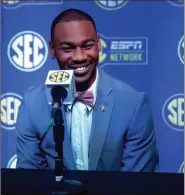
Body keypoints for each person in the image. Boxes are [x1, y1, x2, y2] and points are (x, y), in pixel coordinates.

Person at [16, 8, 159, 171]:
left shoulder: (133, 104)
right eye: (67, 48)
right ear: (52, 49)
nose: (79, 57)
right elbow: (30, 179)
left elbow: (138, 183)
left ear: (98, 44)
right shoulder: (32, 105)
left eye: (87, 46)